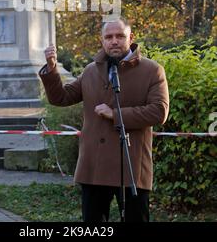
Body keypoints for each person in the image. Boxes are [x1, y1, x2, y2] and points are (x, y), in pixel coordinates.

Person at [39, 18, 169, 223]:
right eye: (109, 37)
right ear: (102, 41)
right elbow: (61, 98)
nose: (114, 41)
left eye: (120, 36)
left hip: (131, 166)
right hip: (94, 167)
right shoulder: (91, 70)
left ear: (131, 38)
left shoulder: (152, 70)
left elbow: (159, 112)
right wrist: (52, 69)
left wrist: (115, 114)